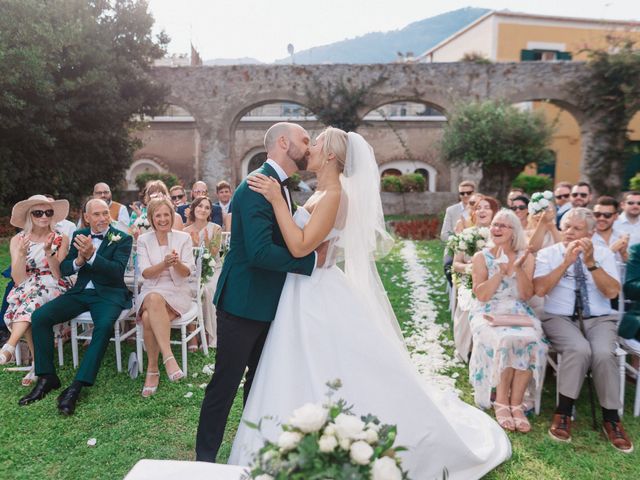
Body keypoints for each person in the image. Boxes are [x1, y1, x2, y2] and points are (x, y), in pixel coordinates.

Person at [227, 127, 510, 479]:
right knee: (300, 360)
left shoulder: (333, 193)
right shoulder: (322, 192)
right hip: (303, 288)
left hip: (315, 291)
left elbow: (300, 247)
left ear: (330, 155)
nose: (309, 148)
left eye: (314, 143)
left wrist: (274, 201)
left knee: (324, 361)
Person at [195, 122, 321, 463]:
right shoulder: (255, 186)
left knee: (261, 382)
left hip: (272, 303)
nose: (309, 147)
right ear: (283, 142)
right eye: (304, 140)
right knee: (225, 383)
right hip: (243, 303)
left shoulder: (280, 186)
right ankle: (204, 459)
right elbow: (259, 252)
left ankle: (252, 449)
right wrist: (312, 261)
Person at [18, 199, 132, 415]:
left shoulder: (122, 238)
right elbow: (65, 269)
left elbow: (117, 271)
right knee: (40, 317)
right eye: (96, 214)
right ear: (87, 217)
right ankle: (46, 377)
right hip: (80, 292)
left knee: (104, 326)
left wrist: (92, 256)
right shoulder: (79, 235)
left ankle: (76, 387)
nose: (102, 219)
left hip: (109, 294)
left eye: (105, 213)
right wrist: (79, 260)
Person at [533, 208, 633, 452]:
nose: (569, 232)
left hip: (599, 319)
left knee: (602, 353)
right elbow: (540, 290)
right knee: (579, 349)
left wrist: (590, 263)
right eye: (566, 226)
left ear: (591, 232)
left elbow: (611, 292)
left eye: (577, 228)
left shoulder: (602, 254)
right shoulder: (548, 254)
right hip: (560, 317)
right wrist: (566, 261)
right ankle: (563, 413)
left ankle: (612, 419)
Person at [469, 209, 548, 433]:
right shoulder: (481, 257)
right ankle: (502, 401)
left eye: (503, 225)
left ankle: (517, 403)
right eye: (494, 224)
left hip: (517, 310)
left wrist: (518, 269)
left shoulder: (526, 256)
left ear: (514, 231)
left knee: (532, 338)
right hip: (487, 310)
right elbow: (482, 296)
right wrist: (499, 274)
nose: (496, 229)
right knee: (506, 339)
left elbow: (525, 295)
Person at [0, 196, 72, 387]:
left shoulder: (60, 238)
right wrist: (22, 255)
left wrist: (49, 252)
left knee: (33, 301)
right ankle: (36, 364)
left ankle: (10, 346)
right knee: (32, 308)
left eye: (48, 212)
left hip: (54, 285)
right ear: (30, 216)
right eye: (38, 212)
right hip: (27, 285)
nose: (44, 216)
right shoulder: (18, 240)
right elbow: (18, 279)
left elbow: (58, 274)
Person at [136, 197, 195, 397]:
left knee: (146, 318)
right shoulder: (143, 240)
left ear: (172, 215)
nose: (163, 219)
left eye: (166, 214)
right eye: (158, 215)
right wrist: (164, 264)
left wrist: (176, 263)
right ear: (151, 219)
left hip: (177, 291)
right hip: (152, 288)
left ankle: (153, 370)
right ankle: (169, 359)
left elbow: (187, 272)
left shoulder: (183, 238)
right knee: (153, 298)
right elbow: (145, 273)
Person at [451, 196, 499, 362]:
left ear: (495, 212)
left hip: (494, 283)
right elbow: (456, 264)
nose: (482, 211)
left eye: (487, 207)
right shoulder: (466, 234)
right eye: (479, 208)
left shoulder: (501, 235)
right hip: (469, 280)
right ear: (474, 212)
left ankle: (488, 349)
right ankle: (466, 349)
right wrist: (469, 268)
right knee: (468, 303)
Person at [184, 196, 223, 348]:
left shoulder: (216, 228)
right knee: (188, 288)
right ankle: (194, 334)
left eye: (207, 207)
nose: (203, 210)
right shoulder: (185, 231)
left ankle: (208, 334)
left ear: (210, 212)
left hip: (213, 269)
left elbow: (213, 255)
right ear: (194, 208)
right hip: (193, 270)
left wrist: (206, 242)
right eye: (200, 206)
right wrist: (193, 244)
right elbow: (185, 258)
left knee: (207, 289)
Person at [441, 180, 475, 286]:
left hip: (477, 247)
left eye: (469, 193)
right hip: (455, 247)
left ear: (474, 193)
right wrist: (459, 242)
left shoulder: (480, 209)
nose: (465, 195)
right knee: (448, 266)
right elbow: (444, 234)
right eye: (462, 193)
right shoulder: (451, 210)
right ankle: (455, 295)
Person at [592, 196, 629, 263]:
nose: (601, 218)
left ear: (616, 216)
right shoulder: (587, 238)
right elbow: (591, 266)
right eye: (597, 214)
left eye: (607, 215)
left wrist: (623, 253)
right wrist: (611, 251)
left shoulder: (623, 237)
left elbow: (634, 267)